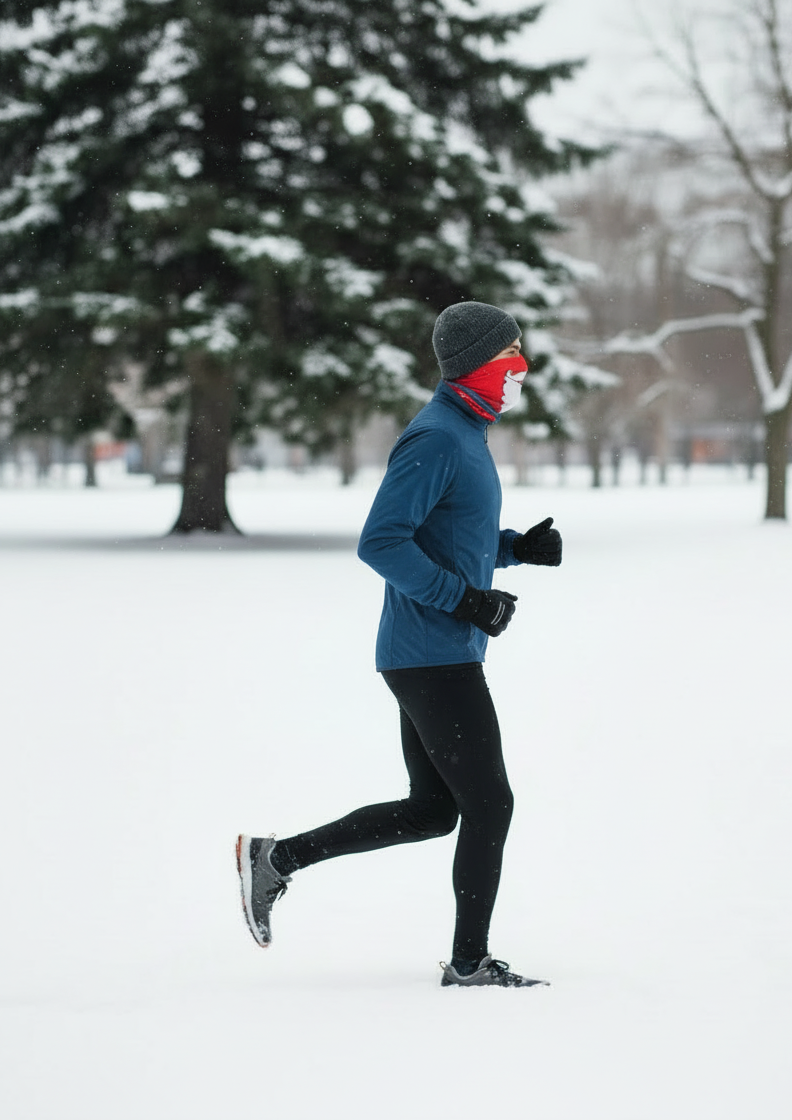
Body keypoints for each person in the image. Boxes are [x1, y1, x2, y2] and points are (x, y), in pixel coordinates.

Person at [237, 301, 562, 988]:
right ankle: (470, 964)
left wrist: (515, 549)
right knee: (490, 804)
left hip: (433, 651)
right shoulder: (438, 437)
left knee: (433, 811)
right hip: (432, 652)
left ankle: (276, 859)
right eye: (511, 355)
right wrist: (466, 601)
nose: (523, 368)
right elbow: (381, 542)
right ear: (475, 363)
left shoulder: (464, 432)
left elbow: (448, 536)